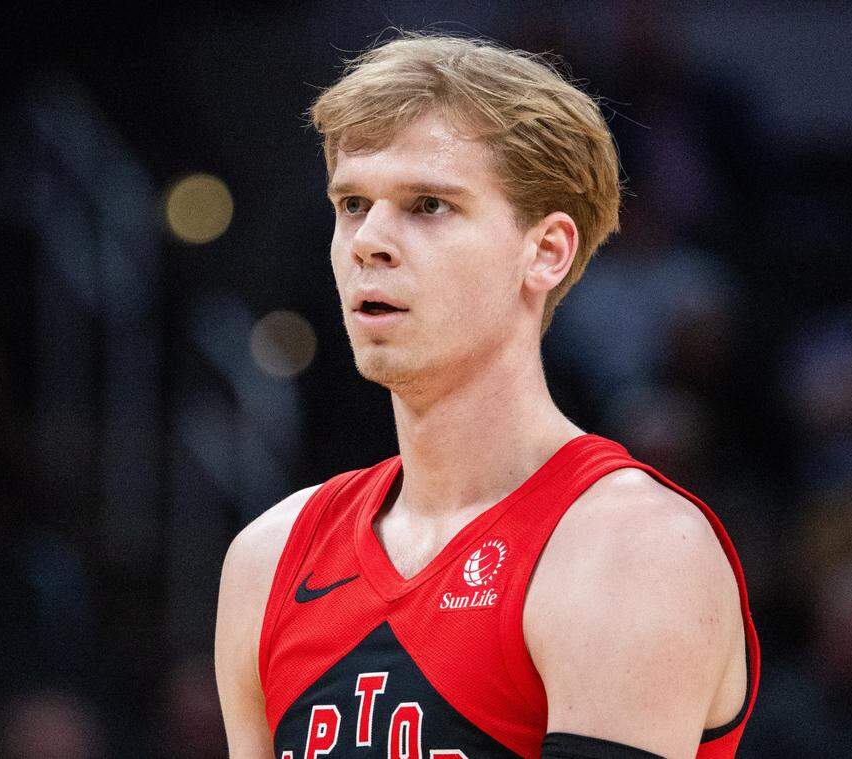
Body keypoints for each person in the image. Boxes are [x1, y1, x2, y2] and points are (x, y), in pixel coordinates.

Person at [215, 32, 759, 759]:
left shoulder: (632, 548)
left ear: (546, 250)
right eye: (352, 203)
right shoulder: (268, 558)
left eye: (428, 205)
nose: (369, 240)